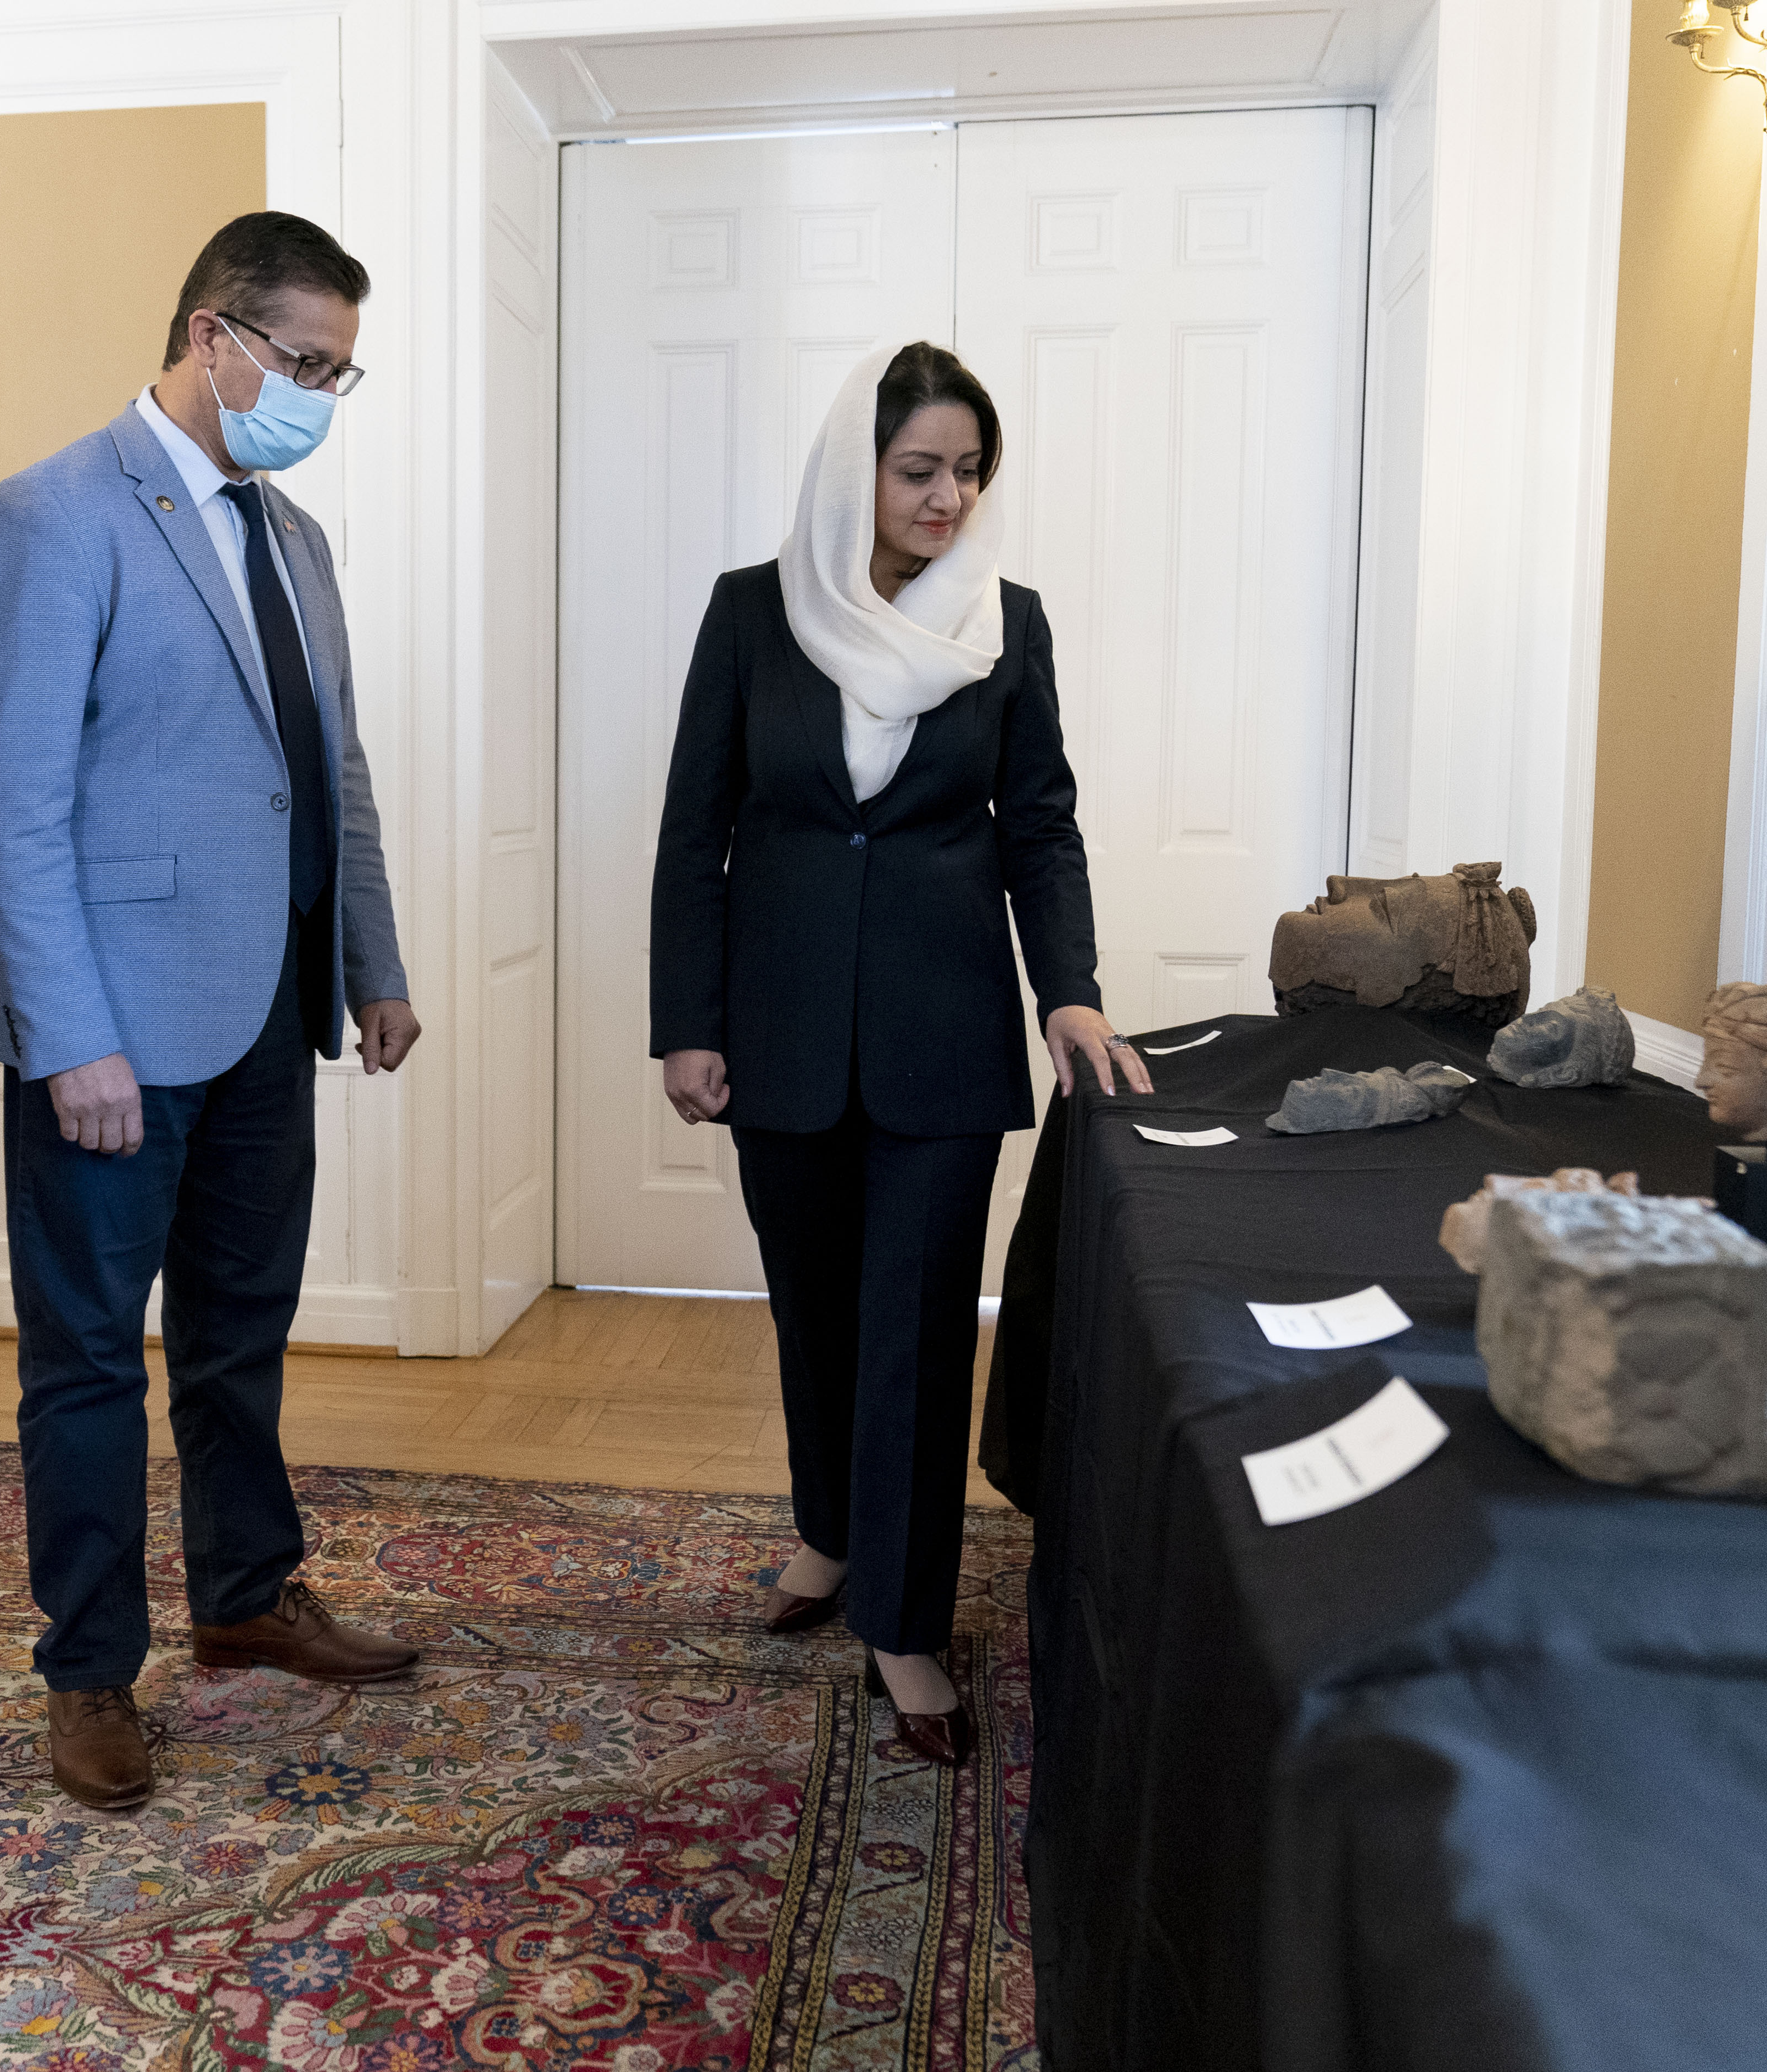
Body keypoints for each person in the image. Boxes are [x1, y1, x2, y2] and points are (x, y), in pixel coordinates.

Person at [0, 211, 422, 1818]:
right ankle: (88, 1665)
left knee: (240, 1330)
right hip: (112, 1030)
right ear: (212, 335)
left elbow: (331, 769)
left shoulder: (296, 538)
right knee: (87, 1356)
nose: (319, 395)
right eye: (304, 362)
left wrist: (370, 960)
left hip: (270, 1007)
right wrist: (70, 1034)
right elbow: (7, 798)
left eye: (340, 373)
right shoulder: (55, 512)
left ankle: (244, 1590)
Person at [648, 341, 1148, 1767]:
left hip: (942, 1034)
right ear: (851, 468)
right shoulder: (752, 614)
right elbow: (695, 829)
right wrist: (686, 1021)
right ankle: (828, 1530)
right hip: (779, 1027)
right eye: (918, 468)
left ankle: (905, 1622)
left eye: (968, 471)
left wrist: (1068, 993)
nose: (947, 497)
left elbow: (1039, 825)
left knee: (918, 1329)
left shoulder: (1007, 624)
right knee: (812, 1309)